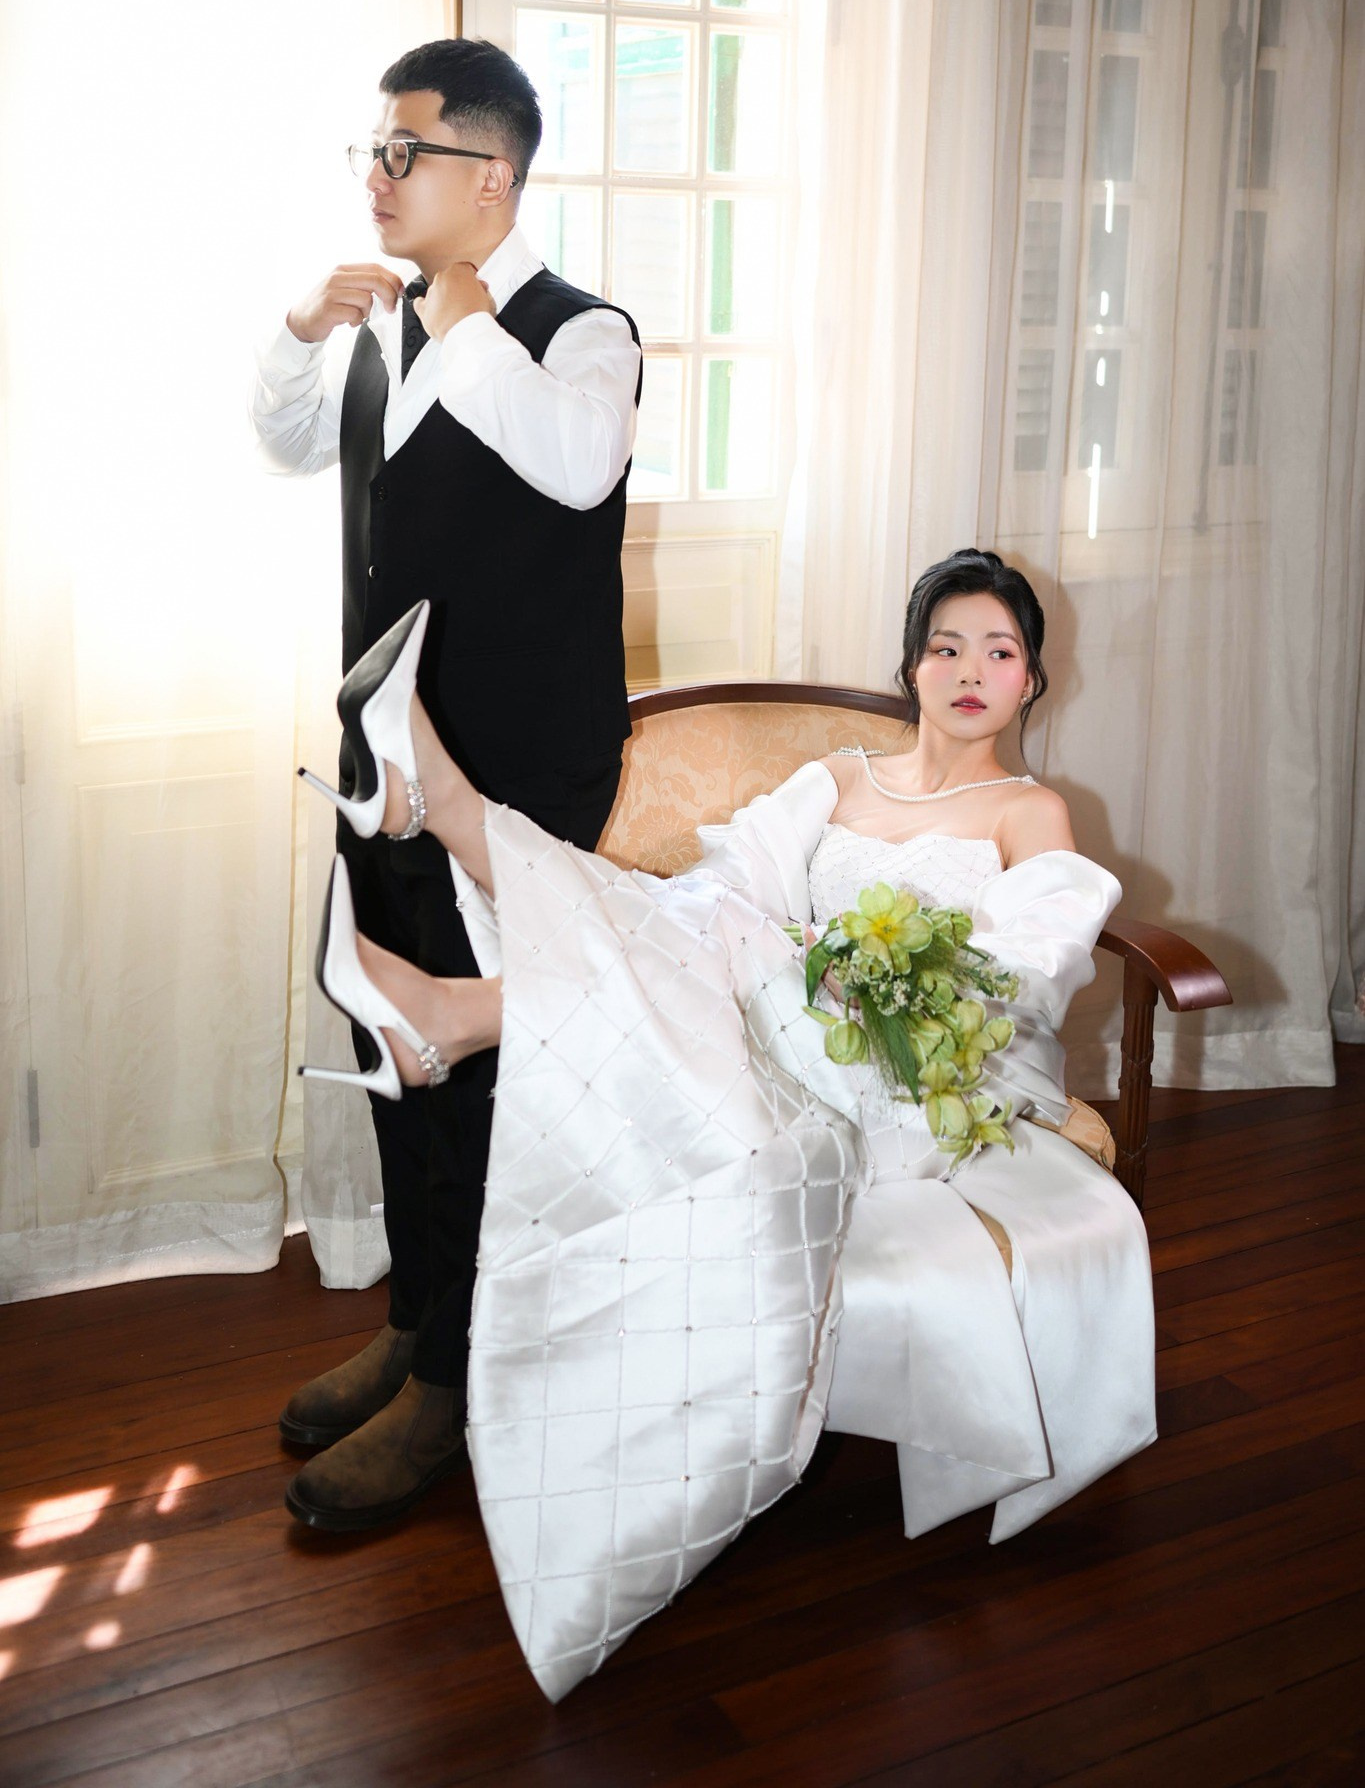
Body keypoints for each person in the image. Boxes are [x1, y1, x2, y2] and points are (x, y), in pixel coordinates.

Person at [299, 548, 1156, 1699]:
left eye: (998, 652)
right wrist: (792, 961)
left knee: (724, 952)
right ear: (909, 666)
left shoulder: (1027, 808)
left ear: (1031, 680)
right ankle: (441, 896)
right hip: (784, 1039)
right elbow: (721, 895)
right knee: (691, 925)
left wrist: (869, 976)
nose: (969, 670)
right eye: (946, 645)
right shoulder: (836, 779)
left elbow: (1031, 967)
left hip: (926, 1078)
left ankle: (446, 916)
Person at [249, 38, 642, 1531]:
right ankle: (416, 1320)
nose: (376, 175)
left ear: (493, 175)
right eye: (372, 149)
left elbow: (575, 466)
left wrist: (466, 320)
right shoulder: (380, 328)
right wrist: (304, 329)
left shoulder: (582, 333)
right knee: (390, 1040)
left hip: (517, 778)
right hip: (382, 764)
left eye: (403, 151)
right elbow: (287, 438)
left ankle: (457, 1388)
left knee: (481, 1082)